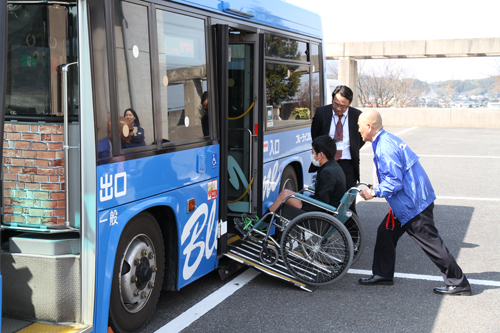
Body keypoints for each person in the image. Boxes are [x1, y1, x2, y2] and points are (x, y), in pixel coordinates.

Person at [357, 109, 471, 296]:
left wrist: (373, 191)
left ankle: (458, 282)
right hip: (409, 199)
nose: (359, 130)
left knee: (431, 243)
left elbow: (395, 182)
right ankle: (382, 275)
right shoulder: (386, 140)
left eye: (360, 126)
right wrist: (376, 185)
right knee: (385, 232)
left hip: (412, 203)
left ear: (369, 126)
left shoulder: (384, 146)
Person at [235, 135, 346, 231]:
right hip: (326, 211)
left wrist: (304, 199)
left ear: (321, 155)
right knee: (287, 193)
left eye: (313, 152)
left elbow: (322, 202)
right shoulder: (333, 167)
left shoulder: (327, 173)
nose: (312, 155)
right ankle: (261, 225)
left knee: (284, 195)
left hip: (320, 216)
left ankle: (259, 228)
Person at [310, 85, 364, 214]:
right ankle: (323, 231)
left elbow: (360, 139)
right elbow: (315, 136)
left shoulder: (357, 115)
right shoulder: (322, 112)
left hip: (348, 165)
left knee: (348, 205)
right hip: (327, 164)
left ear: (350, 103)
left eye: (343, 106)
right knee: (324, 201)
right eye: (335, 104)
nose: (338, 108)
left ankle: (352, 234)